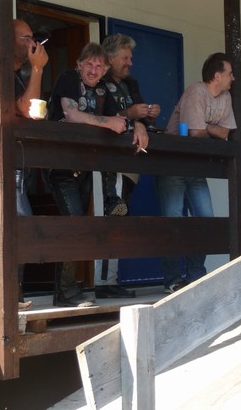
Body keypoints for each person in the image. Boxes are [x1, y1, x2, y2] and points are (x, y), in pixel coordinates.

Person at [45, 42, 149, 307]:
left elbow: (120, 117)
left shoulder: (103, 89)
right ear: (79, 64)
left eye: (99, 66)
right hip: (60, 165)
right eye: (89, 64)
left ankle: (68, 289)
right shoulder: (69, 78)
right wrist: (107, 122)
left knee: (80, 225)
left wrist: (138, 125)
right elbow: (70, 114)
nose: (93, 70)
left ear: (104, 70)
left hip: (85, 168)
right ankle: (65, 292)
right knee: (74, 224)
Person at [0, 19, 49, 313]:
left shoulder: (15, 74)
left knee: (6, 223)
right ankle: (2, 296)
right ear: (8, 40)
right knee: (18, 223)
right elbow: (24, 107)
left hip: (11, 161)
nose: (33, 44)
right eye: (26, 38)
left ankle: (0, 296)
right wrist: (39, 69)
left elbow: (29, 111)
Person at [155, 52, 237, 294]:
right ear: (217, 76)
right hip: (173, 164)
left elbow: (226, 133)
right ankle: (172, 279)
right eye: (230, 73)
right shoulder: (196, 91)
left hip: (196, 167)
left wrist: (206, 127)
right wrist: (210, 129)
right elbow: (195, 134)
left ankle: (195, 276)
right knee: (173, 222)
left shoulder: (226, 96)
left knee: (206, 220)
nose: (233, 78)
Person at [93, 33, 161, 299]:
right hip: (108, 163)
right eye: (126, 57)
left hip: (129, 164)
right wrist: (129, 115)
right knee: (111, 219)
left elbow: (137, 118)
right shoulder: (98, 82)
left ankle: (110, 280)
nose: (130, 62)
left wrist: (147, 116)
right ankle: (103, 283)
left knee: (119, 219)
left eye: (131, 57)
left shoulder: (131, 84)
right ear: (110, 58)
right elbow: (98, 117)